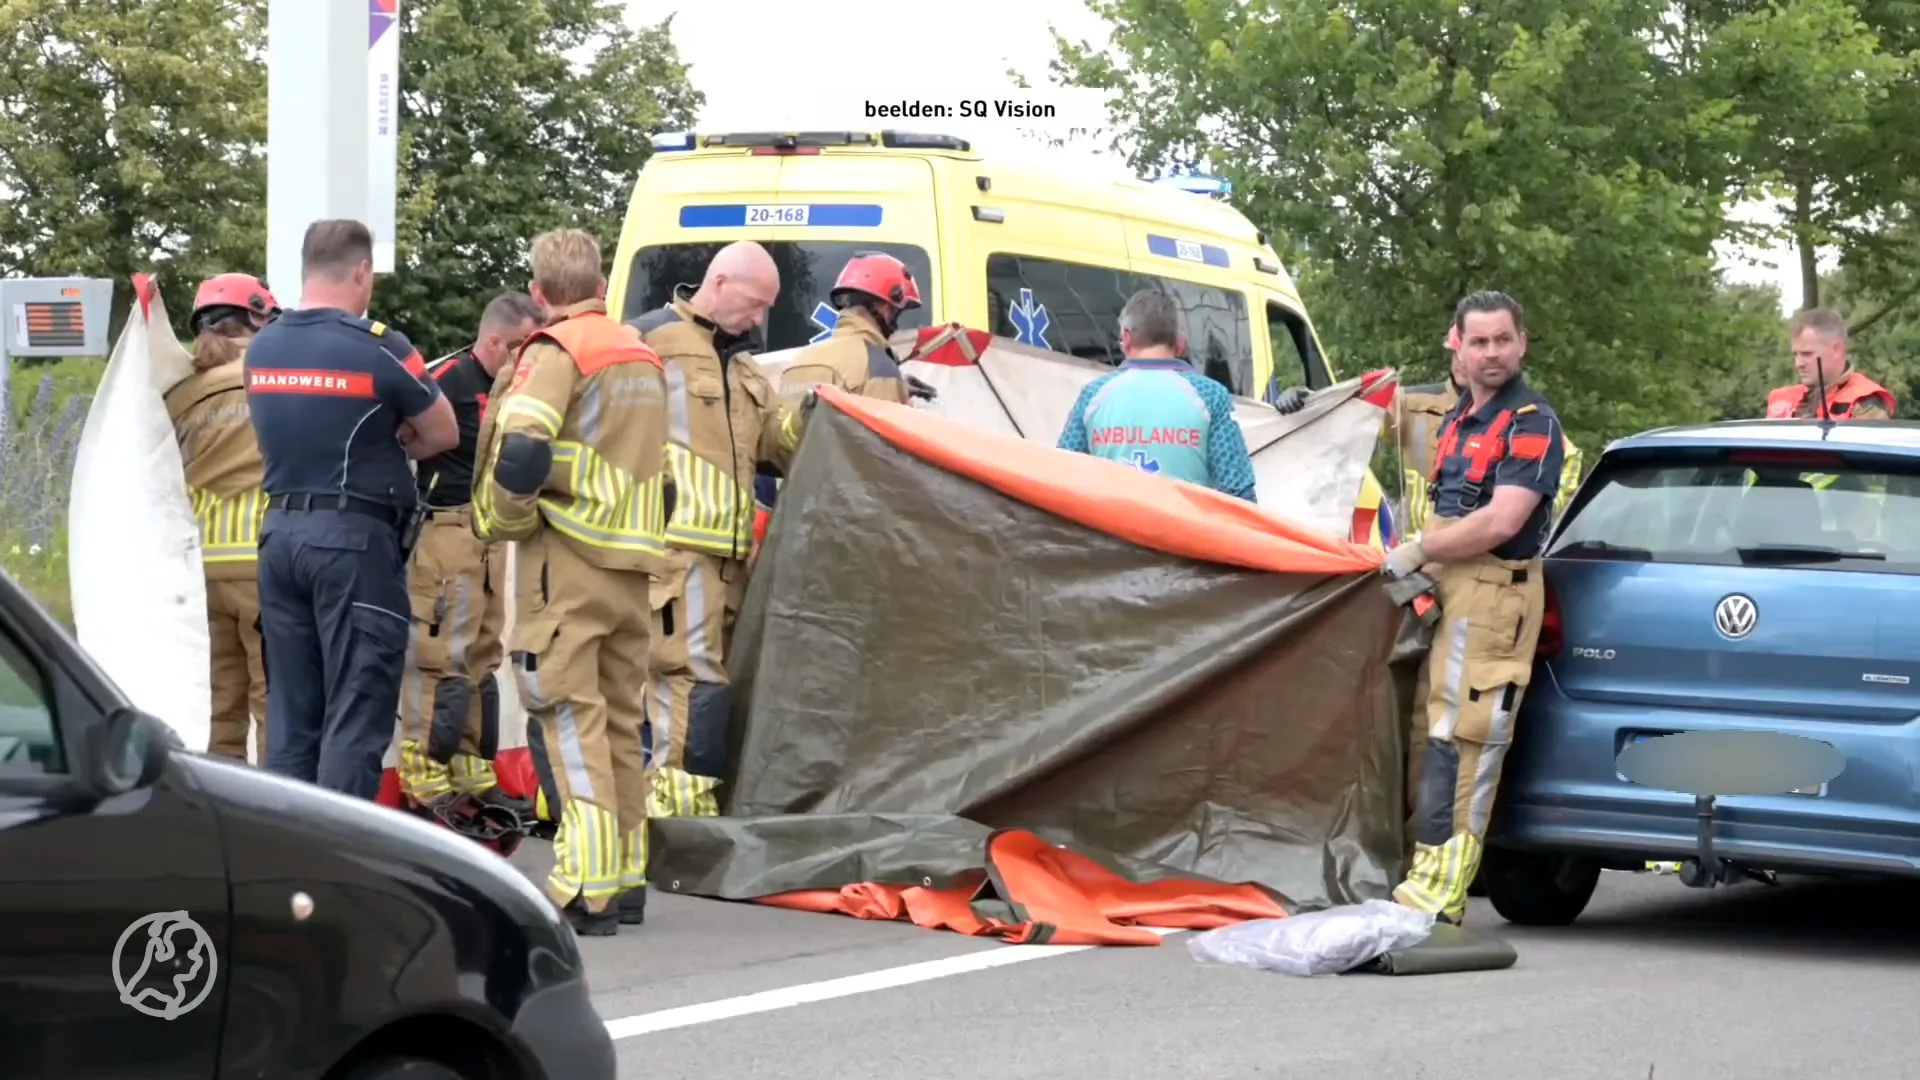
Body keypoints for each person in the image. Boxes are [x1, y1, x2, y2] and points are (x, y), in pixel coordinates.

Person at [471, 227, 670, 936]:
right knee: (621, 723)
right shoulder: (641, 353)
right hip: (632, 566)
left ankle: (585, 885)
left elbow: (523, 449)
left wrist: (502, 519)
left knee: (565, 716)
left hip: (569, 560)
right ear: (601, 283)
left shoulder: (559, 351)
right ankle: (626, 877)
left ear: (538, 292)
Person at [246, 219, 459, 799]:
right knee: (355, 712)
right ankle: (339, 872)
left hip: (279, 537)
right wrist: (395, 443)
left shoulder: (263, 345)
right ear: (362, 271)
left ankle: (287, 858)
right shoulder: (379, 346)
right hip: (352, 544)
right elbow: (442, 431)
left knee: (292, 717)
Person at [1379, 290, 1564, 927]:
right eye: (1478, 341)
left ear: (1522, 343)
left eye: (1502, 341)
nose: (1491, 353)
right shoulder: (1461, 418)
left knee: (1465, 741)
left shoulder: (1532, 421)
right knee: (1427, 738)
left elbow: (1500, 520)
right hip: (1450, 586)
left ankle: (1442, 893)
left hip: (1494, 594)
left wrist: (1417, 549)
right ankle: (1418, 880)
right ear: (1458, 344)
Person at [629, 242, 803, 888]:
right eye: (755, 304)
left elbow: (770, 448)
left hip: (730, 557)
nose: (759, 321)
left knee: (709, 686)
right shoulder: (651, 342)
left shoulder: (748, 371)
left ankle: (690, 819)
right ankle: (676, 831)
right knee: (686, 684)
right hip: (676, 552)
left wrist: (813, 415)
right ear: (721, 281)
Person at [396, 291, 544, 836]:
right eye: (521, 348)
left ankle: (469, 767)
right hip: (444, 530)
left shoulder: (512, 386)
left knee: (483, 652)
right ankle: (422, 771)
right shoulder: (446, 379)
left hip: (487, 533)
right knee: (438, 653)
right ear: (494, 341)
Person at [164, 272, 281, 762]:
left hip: (202, 565)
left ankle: (223, 809)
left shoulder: (181, 392)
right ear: (255, 317)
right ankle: (283, 815)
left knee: (220, 703)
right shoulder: (270, 376)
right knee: (273, 699)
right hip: (259, 560)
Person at [1055, 288, 1258, 501]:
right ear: (1180, 344)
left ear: (1126, 337)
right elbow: (1239, 492)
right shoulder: (1211, 396)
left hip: (1107, 531)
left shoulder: (1093, 395)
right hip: (1183, 531)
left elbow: (1061, 476)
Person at [777, 252, 919, 406]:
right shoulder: (878, 367)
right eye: (897, 312)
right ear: (885, 307)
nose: (896, 324)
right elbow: (888, 428)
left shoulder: (801, 359)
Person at [1765, 307, 1895, 420]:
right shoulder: (1783, 399)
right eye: (1795, 354)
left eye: (1807, 354)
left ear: (1837, 349)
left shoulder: (1864, 402)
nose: (1798, 364)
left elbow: (1862, 448)